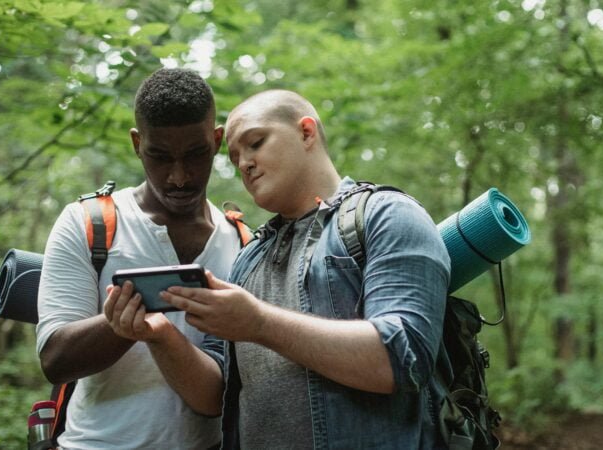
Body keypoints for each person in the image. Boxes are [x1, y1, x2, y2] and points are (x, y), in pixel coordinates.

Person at [106, 89, 451, 448]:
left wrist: (260, 324)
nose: (244, 164)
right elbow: (213, 398)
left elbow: (404, 358)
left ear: (306, 132)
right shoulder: (248, 257)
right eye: (235, 157)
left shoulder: (386, 215)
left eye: (255, 143)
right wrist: (160, 337)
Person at [35, 67, 243, 449]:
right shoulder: (89, 224)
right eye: (159, 156)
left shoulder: (241, 241)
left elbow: (234, 383)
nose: (178, 177)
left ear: (216, 141)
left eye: (195, 154)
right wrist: (121, 327)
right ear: (136, 143)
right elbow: (55, 358)